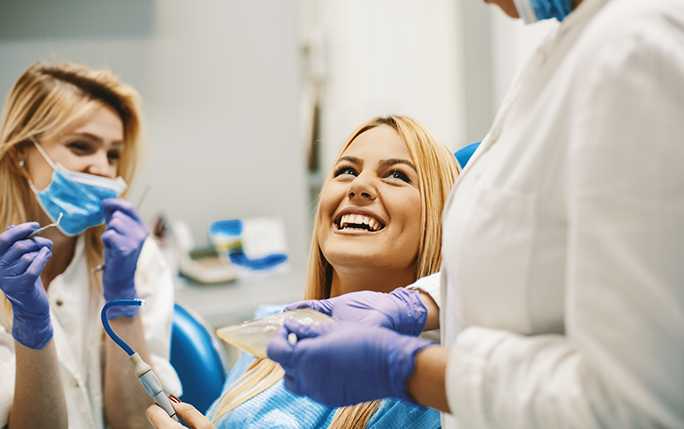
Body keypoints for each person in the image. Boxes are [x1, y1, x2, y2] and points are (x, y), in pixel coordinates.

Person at [265, 0, 684, 428]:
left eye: (397, 176)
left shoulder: (641, 49)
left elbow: (640, 405)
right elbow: (536, 270)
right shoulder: (579, 41)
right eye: (345, 169)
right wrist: (420, 303)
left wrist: (407, 370)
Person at [146, 115, 461, 428]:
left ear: (441, 217)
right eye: (346, 170)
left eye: (396, 175)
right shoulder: (269, 331)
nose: (359, 185)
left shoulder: (433, 392)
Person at [0, 62, 180, 429]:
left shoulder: (136, 258)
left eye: (112, 154)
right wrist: (30, 323)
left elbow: (138, 424)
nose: (103, 169)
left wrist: (121, 298)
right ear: (20, 152)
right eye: (80, 146)